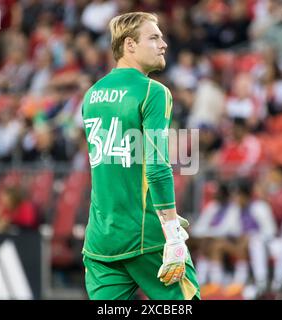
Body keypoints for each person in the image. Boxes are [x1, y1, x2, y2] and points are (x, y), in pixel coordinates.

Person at [81, 12, 200, 300]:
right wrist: (171, 232)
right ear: (130, 45)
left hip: (100, 240)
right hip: (145, 235)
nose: (164, 45)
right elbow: (157, 166)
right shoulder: (152, 92)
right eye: (154, 37)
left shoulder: (91, 95)